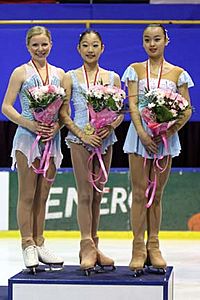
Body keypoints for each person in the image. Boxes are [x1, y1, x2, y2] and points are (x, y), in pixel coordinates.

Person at [122, 24, 194, 275]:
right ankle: (138, 247)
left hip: (165, 139)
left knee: (158, 195)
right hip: (139, 138)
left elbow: (187, 109)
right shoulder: (135, 70)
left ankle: (154, 245)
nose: (152, 44)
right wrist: (142, 132)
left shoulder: (178, 73)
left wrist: (169, 130)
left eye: (157, 39)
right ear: (143, 43)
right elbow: (131, 103)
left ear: (166, 40)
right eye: (147, 40)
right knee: (140, 193)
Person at [59, 29, 124, 274]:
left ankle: (95, 245)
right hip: (79, 140)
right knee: (85, 194)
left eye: (95, 45)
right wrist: (81, 133)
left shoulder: (112, 78)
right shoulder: (70, 77)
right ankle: (85, 245)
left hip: (104, 140)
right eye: (85, 45)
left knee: (98, 195)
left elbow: (119, 113)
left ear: (102, 48)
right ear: (78, 49)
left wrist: (110, 126)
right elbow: (63, 113)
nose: (90, 49)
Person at [1, 26, 65, 272]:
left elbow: (63, 112)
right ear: (28, 47)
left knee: (43, 195)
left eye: (44, 44)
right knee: (27, 194)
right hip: (28, 138)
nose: (40, 49)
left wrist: (56, 127)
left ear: (51, 44)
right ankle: (27, 243)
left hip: (51, 139)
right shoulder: (21, 72)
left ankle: (40, 242)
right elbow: (6, 106)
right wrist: (30, 123)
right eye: (35, 45)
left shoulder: (59, 74)